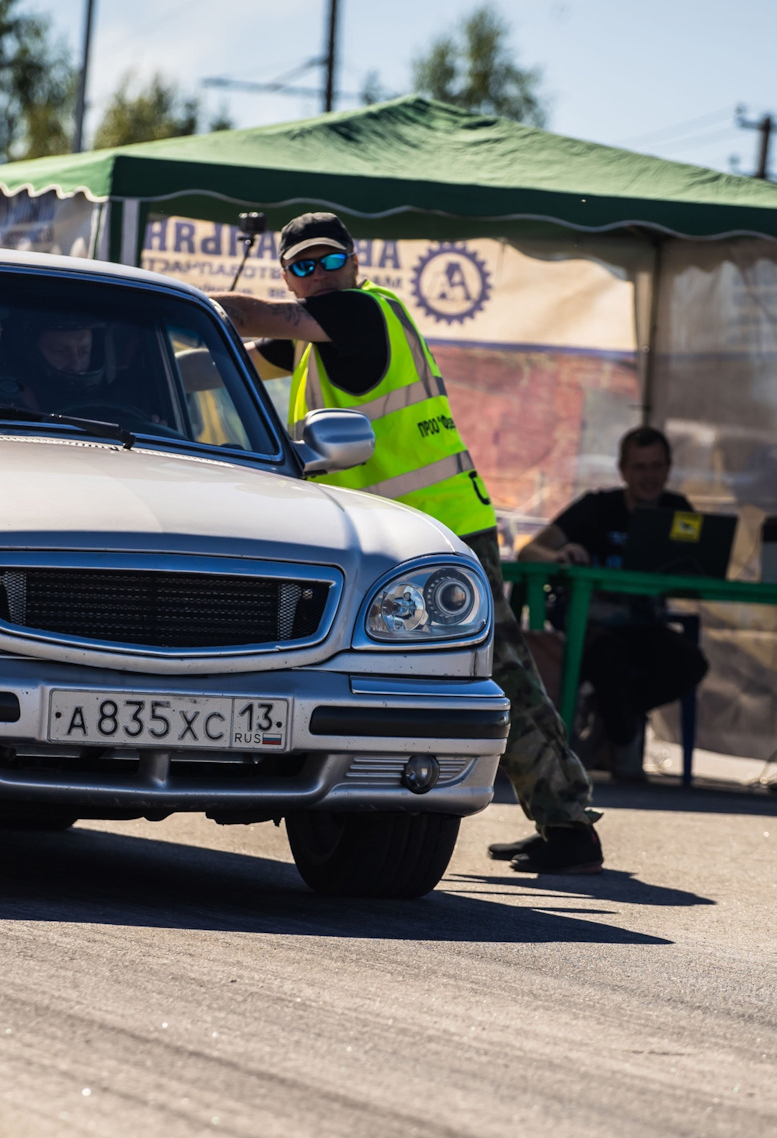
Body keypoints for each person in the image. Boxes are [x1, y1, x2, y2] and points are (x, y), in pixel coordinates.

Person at [213, 212, 604, 874]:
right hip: (391, 534)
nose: (319, 274)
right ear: (288, 274)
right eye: (302, 266)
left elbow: (247, 315)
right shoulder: (316, 338)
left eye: (329, 261)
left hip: (440, 527)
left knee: (499, 669)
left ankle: (568, 824)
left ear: (356, 265)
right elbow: (220, 366)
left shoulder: (362, 313)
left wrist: (181, 308)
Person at [518, 426, 711, 767]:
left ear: (668, 468)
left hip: (644, 625)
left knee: (690, 662)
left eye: (656, 466)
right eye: (639, 467)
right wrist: (559, 557)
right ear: (623, 470)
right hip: (586, 625)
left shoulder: (678, 511)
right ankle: (620, 734)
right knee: (610, 658)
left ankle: (612, 714)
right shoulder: (596, 507)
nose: (648, 476)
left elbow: (698, 573)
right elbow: (530, 552)